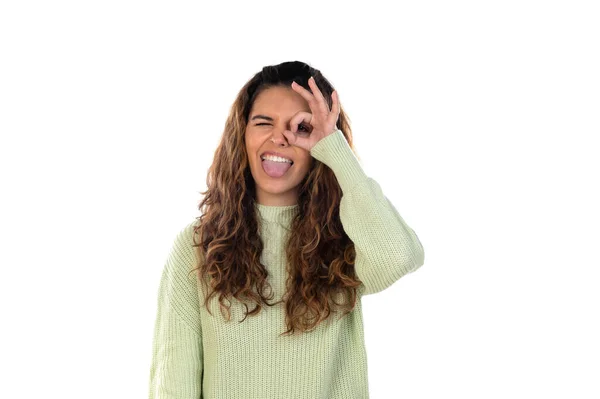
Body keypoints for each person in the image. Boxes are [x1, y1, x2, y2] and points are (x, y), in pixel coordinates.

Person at [148, 60, 425, 398]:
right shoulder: (197, 246)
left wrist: (337, 153)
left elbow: (400, 256)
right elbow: (174, 383)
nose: (279, 138)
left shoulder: (348, 239)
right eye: (263, 122)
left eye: (302, 128)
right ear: (242, 135)